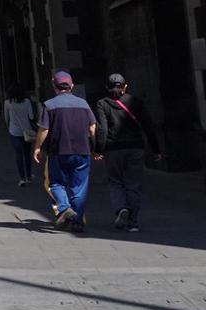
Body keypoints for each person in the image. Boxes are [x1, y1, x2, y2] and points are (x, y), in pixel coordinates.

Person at [94, 74, 163, 232]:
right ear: (125, 87)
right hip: (135, 148)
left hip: (113, 149)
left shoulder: (102, 104)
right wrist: (156, 149)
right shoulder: (136, 102)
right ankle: (133, 222)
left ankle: (121, 208)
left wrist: (99, 149)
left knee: (115, 181)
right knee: (133, 184)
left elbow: (103, 129)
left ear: (107, 87)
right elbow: (148, 126)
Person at [33, 70, 97, 232]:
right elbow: (92, 127)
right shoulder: (83, 104)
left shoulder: (49, 105)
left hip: (59, 151)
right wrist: (95, 147)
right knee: (79, 188)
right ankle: (77, 221)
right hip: (82, 151)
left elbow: (44, 129)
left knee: (56, 183)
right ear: (72, 86)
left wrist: (38, 147)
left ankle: (64, 207)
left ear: (54, 86)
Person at [3, 85, 37, 186]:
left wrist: (9, 126)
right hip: (27, 132)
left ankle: (22, 178)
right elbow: (31, 116)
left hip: (14, 132)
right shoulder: (27, 101)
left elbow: (6, 118)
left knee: (18, 155)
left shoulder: (7, 103)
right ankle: (29, 176)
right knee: (27, 154)